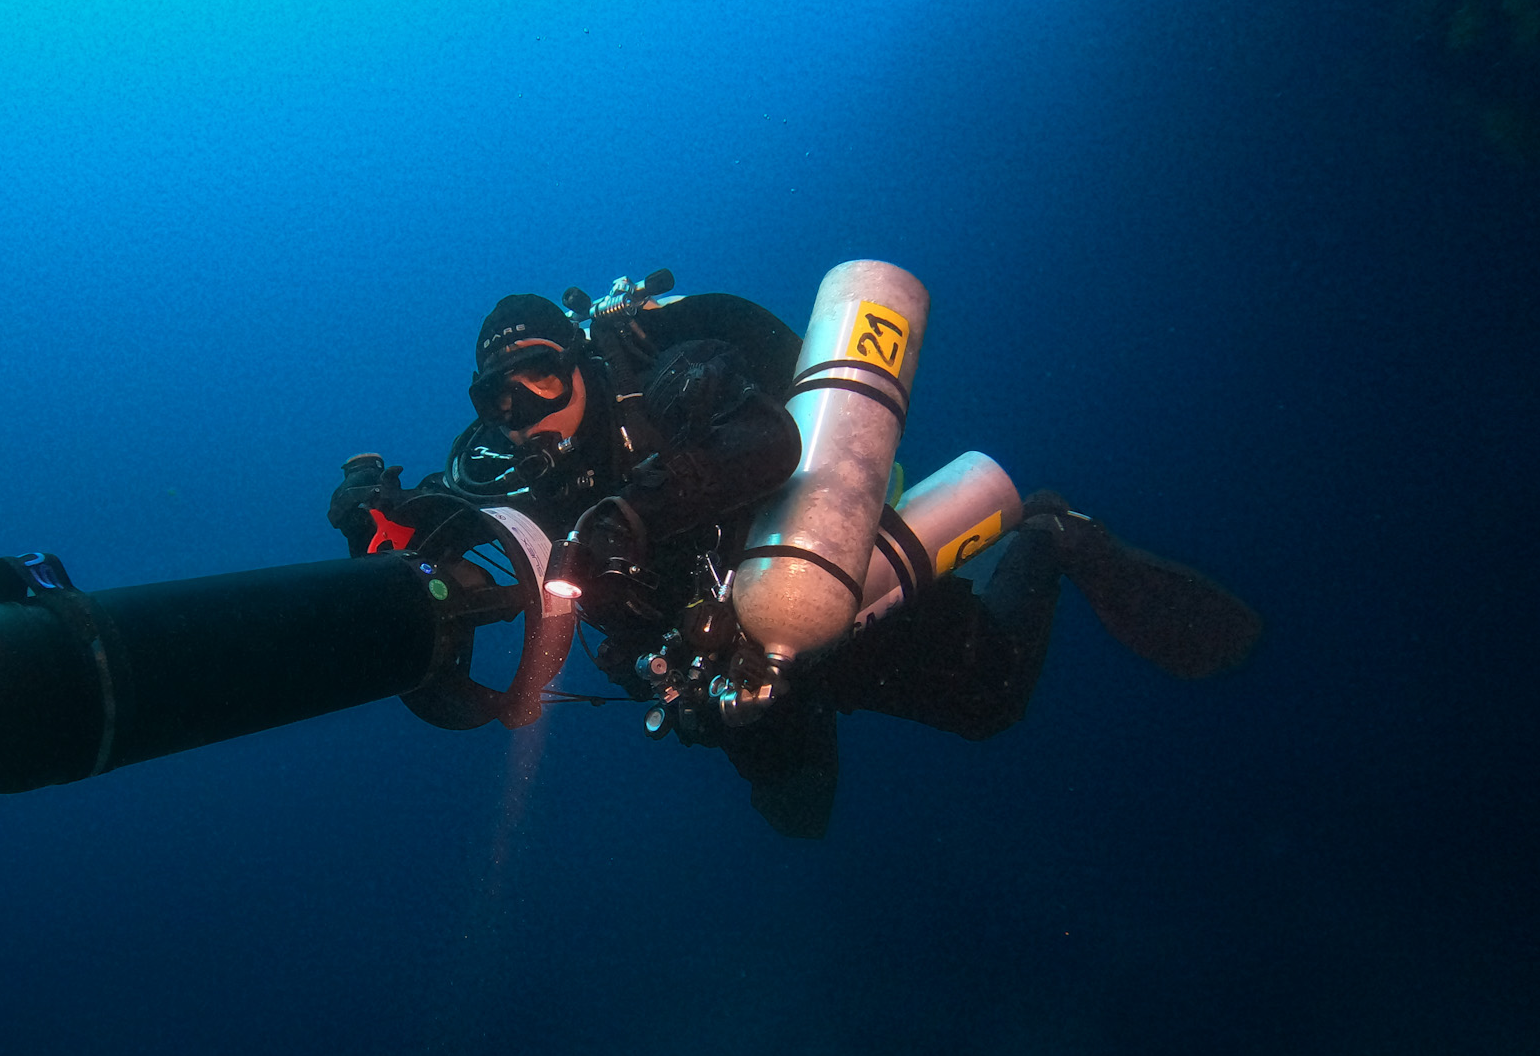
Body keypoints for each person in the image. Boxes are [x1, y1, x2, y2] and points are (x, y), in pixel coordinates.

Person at [329, 272, 1261, 837]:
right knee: (794, 792)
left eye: (545, 373)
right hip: (721, 651)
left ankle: (1050, 536)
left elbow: (766, 443)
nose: (528, 408)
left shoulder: (673, 377)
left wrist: (634, 512)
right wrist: (383, 520)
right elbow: (451, 530)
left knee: (991, 700)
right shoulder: (519, 471)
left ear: (587, 359)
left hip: (822, 564)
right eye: (503, 396)